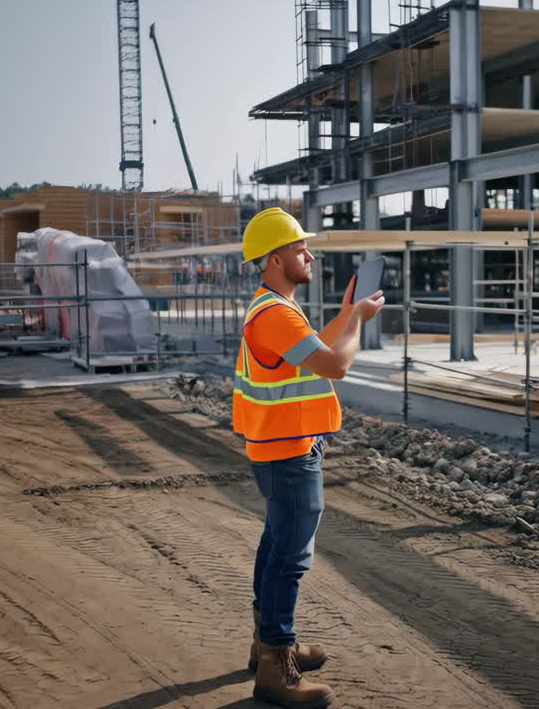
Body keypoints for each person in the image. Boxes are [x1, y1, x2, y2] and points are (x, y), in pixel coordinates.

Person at [233, 207, 384, 709]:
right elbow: (336, 363)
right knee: (290, 558)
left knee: (276, 542)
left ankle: (269, 643)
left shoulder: (274, 307)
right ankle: (277, 667)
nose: (309, 254)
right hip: (287, 450)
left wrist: (347, 313)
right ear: (276, 259)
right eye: (300, 248)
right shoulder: (274, 313)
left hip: (282, 445)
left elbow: (312, 351)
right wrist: (358, 322)